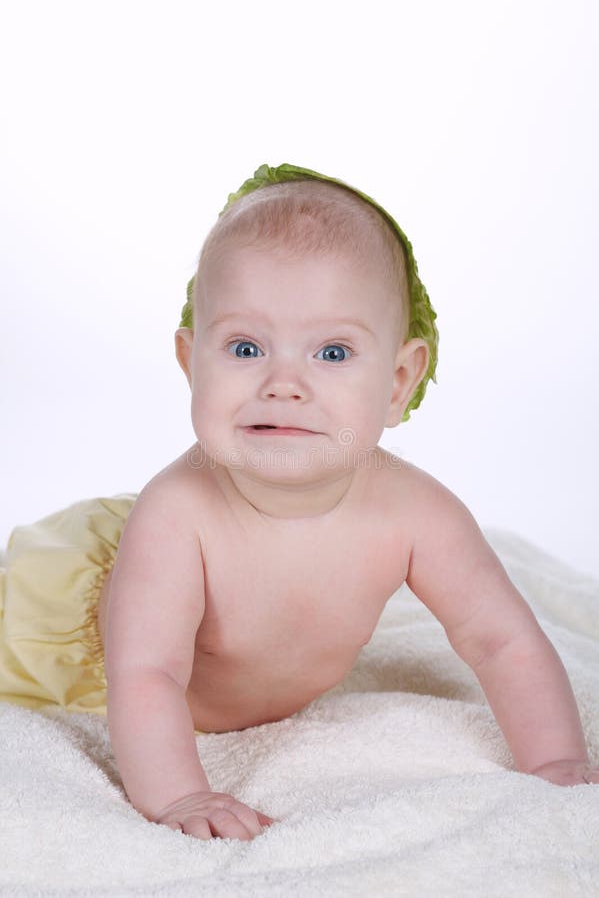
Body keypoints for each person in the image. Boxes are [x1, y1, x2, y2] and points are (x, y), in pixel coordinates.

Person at [1, 163, 597, 844]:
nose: (284, 383)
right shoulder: (177, 513)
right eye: (246, 347)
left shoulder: (416, 514)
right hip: (66, 636)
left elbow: (503, 641)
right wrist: (178, 796)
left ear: (400, 380)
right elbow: (149, 672)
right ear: (190, 359)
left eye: (333, 351)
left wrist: (554, 759)